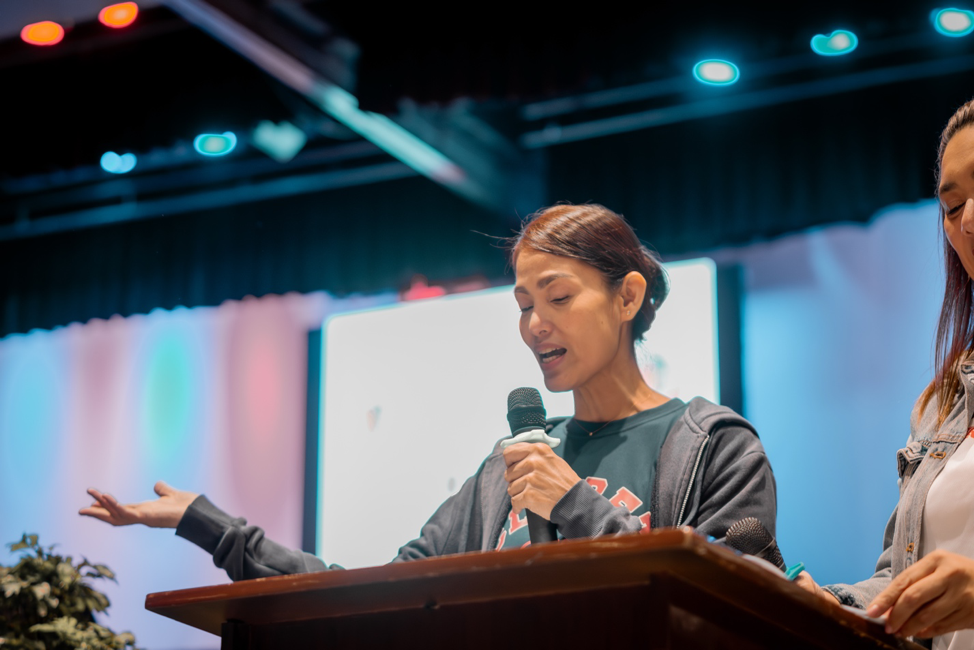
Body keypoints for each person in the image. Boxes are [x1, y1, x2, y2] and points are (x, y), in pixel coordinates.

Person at [80, 203, 777, 579]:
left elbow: (733, 604)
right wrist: (209, 525)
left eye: (559, 297)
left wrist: (573, 504)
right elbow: (368, 596)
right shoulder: (504, 471)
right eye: (523, 304)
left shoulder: (713, 445)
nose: (535, 325)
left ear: (627, 297)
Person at [797, 100, 974, 648]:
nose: (968, 220)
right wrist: (832, 605)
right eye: (952, 206)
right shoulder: (943, 401)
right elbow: (902, 577)